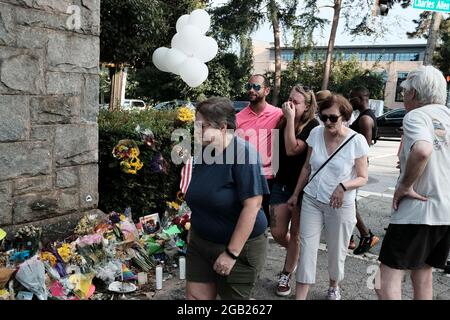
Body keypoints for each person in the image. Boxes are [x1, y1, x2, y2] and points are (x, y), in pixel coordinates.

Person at [376, 65, 450, 300]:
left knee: (383, 281)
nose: (404, 96)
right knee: (423, 275)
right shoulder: (447, 116)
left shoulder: (417, 115)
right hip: (445, 213)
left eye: (405, 91)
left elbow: (423, 150)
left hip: (417, 211)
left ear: (414, 94)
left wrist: (405, 185)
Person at [185, 97, 269, 300]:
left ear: (223, 127)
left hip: (239, 247)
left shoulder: (244, 154)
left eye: (202, 126)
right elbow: (202, 194)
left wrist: (231, 253)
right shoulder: (204, 151)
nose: (196, 131)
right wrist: (194, 231)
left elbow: (253, 205)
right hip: (201, 242)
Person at [287, 94, 370, 300]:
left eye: (333, 117)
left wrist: (344, 185)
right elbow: (307, 167)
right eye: (324, 117)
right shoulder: (316, 132)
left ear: (345, 116)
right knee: (307, 249)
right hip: (312, 200)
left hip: (340, 205)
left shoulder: (356, 141)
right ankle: (300, 296)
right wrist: (296, 194)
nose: (327, 122)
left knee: (336, 249)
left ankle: (334, 285)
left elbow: (363, 177)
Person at [270, 85, 320, 296]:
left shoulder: (313, 126)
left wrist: (290, 119)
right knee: (277, 231)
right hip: (281, 183)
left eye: (296, 102)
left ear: (307, 106)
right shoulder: (281, 121)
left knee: (297, 234)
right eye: (289, 99)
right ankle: (296, 253)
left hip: (302, 187)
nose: (289, 104)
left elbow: (292, 150)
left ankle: (286, 273)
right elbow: (276, 150)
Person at [236, 75, 283, 225]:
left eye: (256, 87)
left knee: (264, 222)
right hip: (245, 176)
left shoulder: (279, 114)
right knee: (244, 218)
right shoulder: (238, 117)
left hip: (268, 177)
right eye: (249, 86)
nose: (251, 90)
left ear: (267, 90)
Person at [348, 86, 380, 254]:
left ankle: (366, 235)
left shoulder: (365, 119)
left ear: (360, 98)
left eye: (351, 98)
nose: (349, 100)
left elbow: (364, 147)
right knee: (348, 202)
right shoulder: (365, 116)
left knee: (349, 202)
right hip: (355, 165)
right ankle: (351, 236)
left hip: (356, 167)